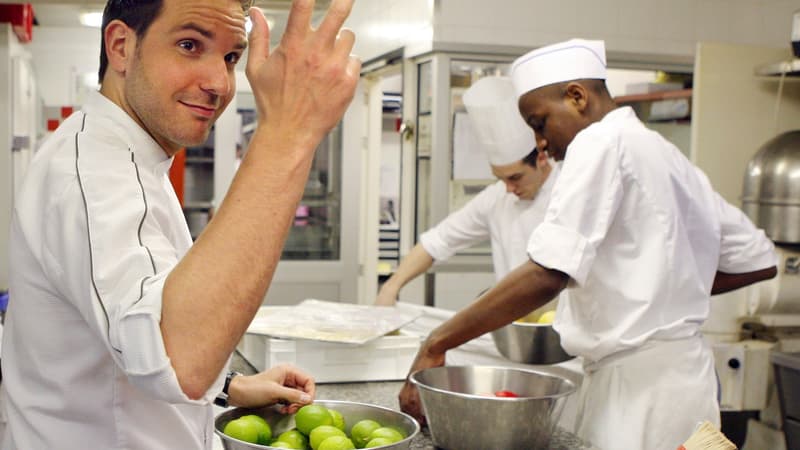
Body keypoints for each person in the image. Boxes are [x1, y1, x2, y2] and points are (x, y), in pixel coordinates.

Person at [0, 0, 359, 448]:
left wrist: (229, 384)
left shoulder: (134, 156)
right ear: (121, 47)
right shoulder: (93, 171)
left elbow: (137, 316)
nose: (219, 83)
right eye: (190, 45)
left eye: (230, 57)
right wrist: (287, 132)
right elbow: (177, 359)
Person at [398, 38, 778, 450]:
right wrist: (659, 288)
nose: (540, 143)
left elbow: (547, 274)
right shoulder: (666, 154)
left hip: (635, 395)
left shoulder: (600, 141)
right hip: (685, 384)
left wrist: (437, 342)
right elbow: (757, 259)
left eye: (540, 123)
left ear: (576, 96)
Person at [375, 76, 558, 309]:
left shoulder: (568, 192)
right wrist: (391, 287)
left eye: (515, 177)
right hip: (514, 323)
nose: (509, 189)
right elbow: (437, 241)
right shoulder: (496, 198)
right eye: (500, 179)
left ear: (541, 158)